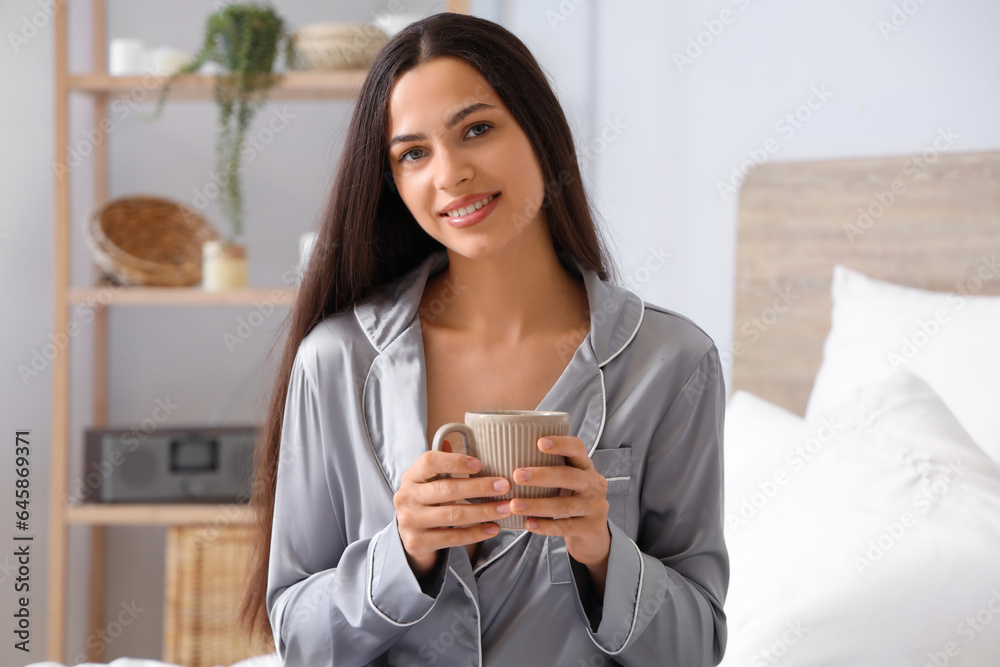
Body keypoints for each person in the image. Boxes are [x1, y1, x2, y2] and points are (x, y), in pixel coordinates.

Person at [239, 12, 728, 667]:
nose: (450, 174)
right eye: (413, 152)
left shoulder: (672, 362)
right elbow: (300, 636)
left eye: (477, 129)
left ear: (540, 132)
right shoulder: (336, 360)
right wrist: (403, 553)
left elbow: (695, 648)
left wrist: (602, 550)